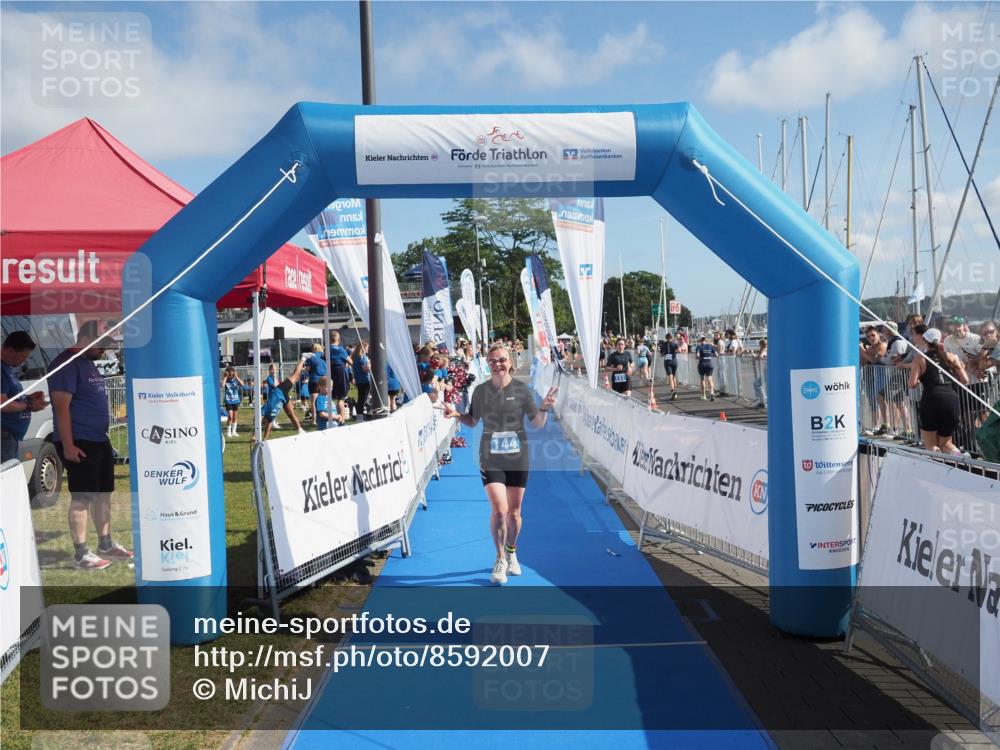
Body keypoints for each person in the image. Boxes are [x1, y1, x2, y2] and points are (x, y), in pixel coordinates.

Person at [443, 343, 558, 585]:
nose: (498, 364)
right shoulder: (481, 392)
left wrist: (544, 407)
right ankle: (499, 559)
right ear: (487, 364)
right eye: (493, 361)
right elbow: (473, 421)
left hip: (518, 457)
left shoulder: (522, 390)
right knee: (500, 510)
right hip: (490, 456)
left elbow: (537, 423)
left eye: (502, 360)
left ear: (510, 362)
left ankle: (512, 551)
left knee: (515, 514)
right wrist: (456, 415)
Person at [48, 321, 132, 570]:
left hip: (99, 440)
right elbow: (61, 408)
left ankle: (105, 543)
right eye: (103, 345)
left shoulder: (87, 363)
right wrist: (69, 445)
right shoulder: (66, 364)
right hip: (80, 441)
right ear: (86, 338)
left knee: (104, 494)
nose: (105, 351)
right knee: (82, 497)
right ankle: (81, 553)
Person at [908, 326, 968, 454]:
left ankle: (935, 467)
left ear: (925, 340)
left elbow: (912, 384)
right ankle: (959, 457)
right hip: (951, 399)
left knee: (931, 445)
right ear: (940, 339)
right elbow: (965, 380)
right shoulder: (952, 357)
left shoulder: (920, 359)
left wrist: (919, 379)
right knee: (946, 443)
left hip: (931, 399)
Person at [1, 331, 48, 463]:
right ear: (10, 351)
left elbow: (10, 397)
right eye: (22, 357)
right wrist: (28, 405)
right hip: (4, 437)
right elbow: (3, 403)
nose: (24, 361)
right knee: (7, 479)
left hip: (10, 437)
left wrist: (28, 398)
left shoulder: (7, 368)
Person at [261, 355, 308, 440]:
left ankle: (303, 358)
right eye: (273, 369)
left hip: (281, 391)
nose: (274, 370)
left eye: (275, 369)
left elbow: (277, 385)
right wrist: (263, 439)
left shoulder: (265, 411)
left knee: (295, 374)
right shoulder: (270, 416)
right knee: (290, 413)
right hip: (281, 396)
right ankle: (300, 430)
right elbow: (268, 423)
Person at [329, 332, 352, 423]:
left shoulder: (327, 349)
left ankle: (336, 418)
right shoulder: (340, 349)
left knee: (334, 398)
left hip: (331, 374)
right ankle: (342, 420)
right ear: (338, 340)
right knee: (341, 399)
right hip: (341, 375)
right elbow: (350, 362)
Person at [306, 343, 328, 421]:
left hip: (314, 380)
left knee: (313, 402)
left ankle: (314, 420)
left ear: (313, 349)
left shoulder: (312, 357)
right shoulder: (324, 356)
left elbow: (308, 368)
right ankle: (324, 416)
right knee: (323, 399)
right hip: (324, 380)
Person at [351, 341, 371, 421]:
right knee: (363, 399)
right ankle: (361, 416)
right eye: (367, 347)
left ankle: (360, 416)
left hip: (359, 380)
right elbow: (365, 369)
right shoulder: (362, 357)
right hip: (364, 380)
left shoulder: (355, 356)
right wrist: (370, 363)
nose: (368, 349)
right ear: (363, 347)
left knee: (361, 398)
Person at [221, 366, 243, 438]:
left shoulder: (235, 379)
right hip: (228, 401)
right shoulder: (226, 379)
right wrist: (225, 377)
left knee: (235, 417)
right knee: (230, 416)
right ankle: (228, 432)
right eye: (229, 374)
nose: (231, 376)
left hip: (236, 400)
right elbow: (222, 385)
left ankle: (234, 432)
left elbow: (242, 384)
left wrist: (236, 376)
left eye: (232, 374)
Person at [694, 335, 718, 401]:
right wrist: (709, 355)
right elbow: (716, 354)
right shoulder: (710, 346)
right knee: (710, 378)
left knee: (702, 379)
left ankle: (704, 395)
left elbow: (697, 355)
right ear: (705, 340)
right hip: (709, 364)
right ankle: (712, 392)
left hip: (702, 364)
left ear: (700, 340)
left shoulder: (699, 347)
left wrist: (698, 357)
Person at [659, 333, 679, 401]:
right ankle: (674, 391)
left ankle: (673, 391)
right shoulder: (674, 344)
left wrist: (665, 353)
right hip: (674, 361)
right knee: (673, 376)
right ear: (671, 337)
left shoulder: (664, 344)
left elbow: (661, 354)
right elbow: (678, 350)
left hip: (668, 362)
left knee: (670, 377)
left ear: (666, 338)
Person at [751, 338, 768, 408]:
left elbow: (760, 356)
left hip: (768, 371)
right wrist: (754, 355)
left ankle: (765, 402)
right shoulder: (765, 350)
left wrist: (760, 352)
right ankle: (762, 400)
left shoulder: (765, 350)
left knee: (766, 386)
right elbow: (758, 357)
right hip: (766, 371)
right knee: (756, 384)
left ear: (762, 345)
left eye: (760, 345)